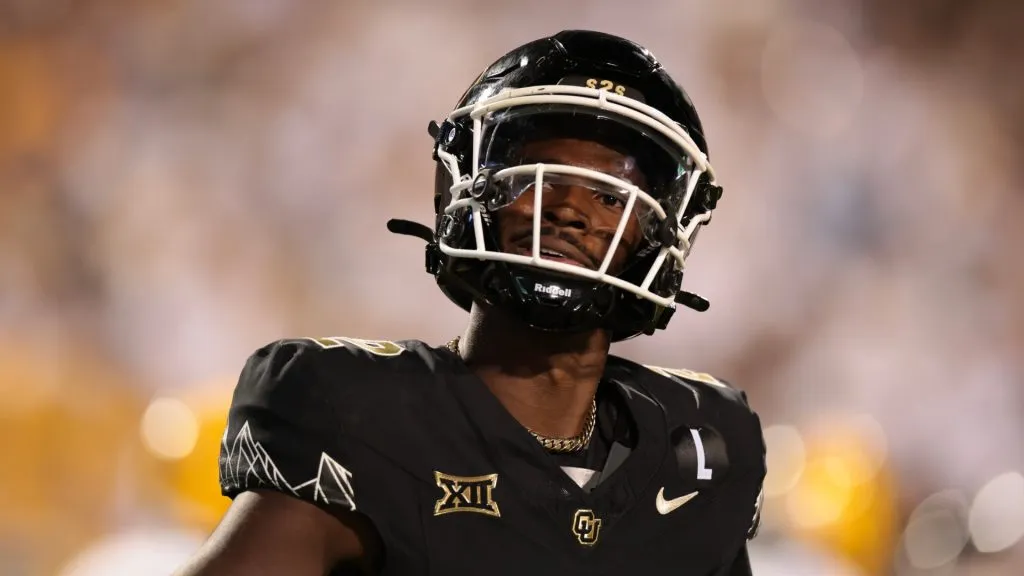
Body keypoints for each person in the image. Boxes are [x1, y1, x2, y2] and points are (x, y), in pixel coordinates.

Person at [177, 29, 766, 576]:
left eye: (611, 198)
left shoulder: (702, 447)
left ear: (658, 235)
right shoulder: (359, 414)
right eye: (539, 177)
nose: (569, 208)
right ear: (472, 191)